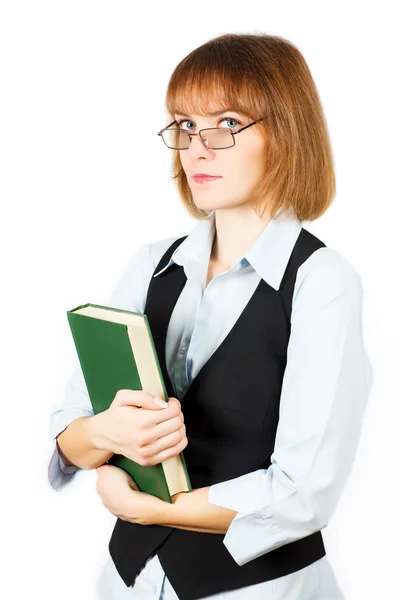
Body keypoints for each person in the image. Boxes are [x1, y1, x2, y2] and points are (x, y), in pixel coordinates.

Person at [47, 32, 374, 599]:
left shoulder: (322, 282)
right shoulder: (153, 264)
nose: (197, 148)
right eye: (184, 125)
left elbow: (302, 494)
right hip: (127, 583)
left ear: (286, 134)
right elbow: (69, 432)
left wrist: (149, 509)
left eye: (226, 123)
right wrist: (104, 430)